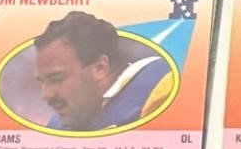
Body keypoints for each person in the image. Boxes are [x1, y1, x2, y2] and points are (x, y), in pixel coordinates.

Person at [30, 10, 169, 131]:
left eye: (56, 79)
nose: (46, 95)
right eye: (42, 81)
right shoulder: (58, 124)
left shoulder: (157, 91)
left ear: (100, 68)